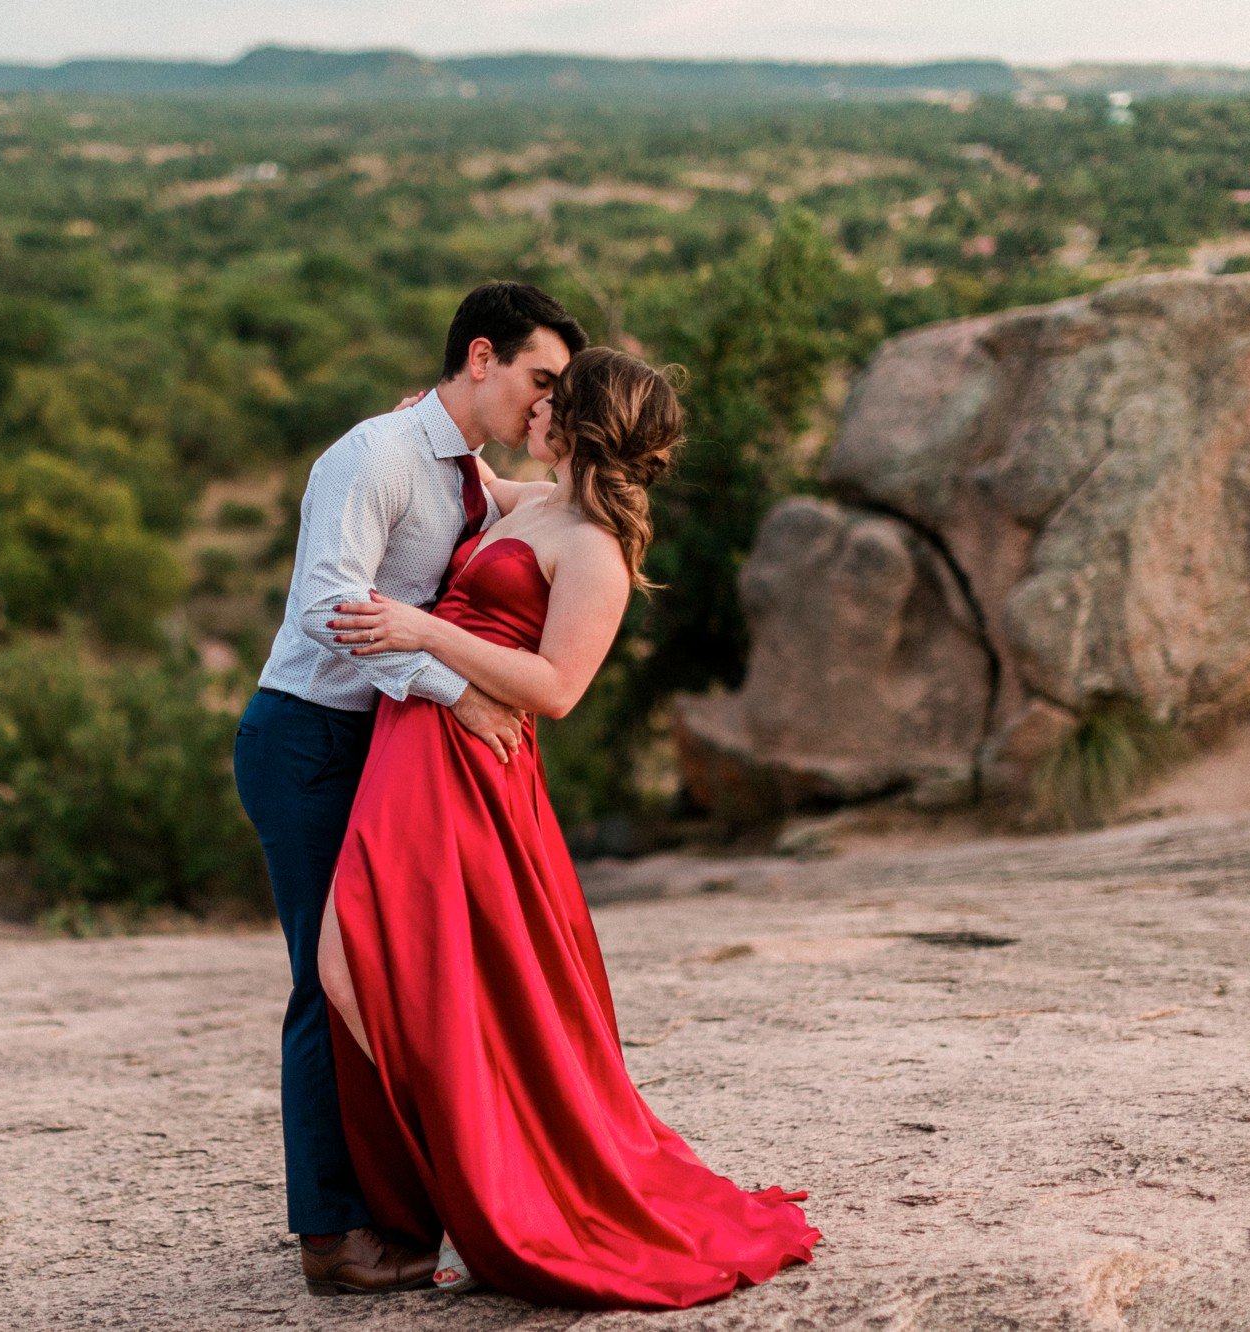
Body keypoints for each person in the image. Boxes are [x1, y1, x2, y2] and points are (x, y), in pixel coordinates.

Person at [316, 347, 821, 1309]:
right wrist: (415, 428)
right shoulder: (536, 503)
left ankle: (483, 1182)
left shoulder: (593, 548)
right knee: (358, 967)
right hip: (415, 749)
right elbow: (468, 476)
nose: (538, 403)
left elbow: (557, 690)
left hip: (469, 768)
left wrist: (424, 632)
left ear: (579, 421)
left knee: (365, 965)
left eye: (555, 394)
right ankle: (459, 1178)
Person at [232, 281, 588, 1296]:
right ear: (480, 357)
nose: (543, 404)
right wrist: (454, 689)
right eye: (538, 378)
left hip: (383, 748)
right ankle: (330, 1238)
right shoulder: (371, 456)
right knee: (327, 979)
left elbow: (554, 507)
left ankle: (410, 1207)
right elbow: (325, 609)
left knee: (398, 977)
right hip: (306, 740)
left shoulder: (465, 473)